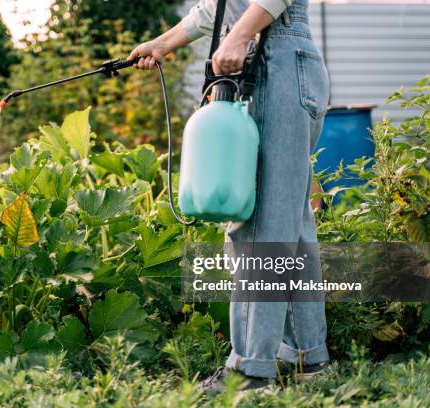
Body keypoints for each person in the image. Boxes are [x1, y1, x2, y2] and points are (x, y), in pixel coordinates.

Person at [129, 0, 330, 393]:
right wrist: (163, 43)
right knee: (290, 221)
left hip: (276, 58)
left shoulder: (254, 36)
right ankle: (309, 357)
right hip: (283, 60)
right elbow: (219, 8)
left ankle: (250, 370)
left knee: (259, 223)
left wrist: (240, 35)